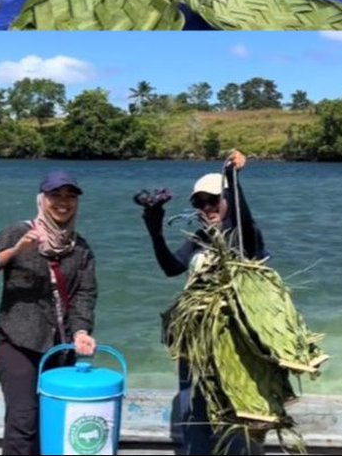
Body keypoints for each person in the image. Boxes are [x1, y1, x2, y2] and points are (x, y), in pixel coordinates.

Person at [140, 150, 266, 456]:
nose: (207, 207)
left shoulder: (243, 237)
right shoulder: (200, 238)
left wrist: (234, 179)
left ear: (227, 200)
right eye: (200, 202)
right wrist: (155, 230)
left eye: (213, 200)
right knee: (194, 416)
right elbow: (172, 268)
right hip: (194, 343)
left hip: (234, 346)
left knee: (236, 417)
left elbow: (243, 220)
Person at [0, 171, 97, 456]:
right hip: (17, 342)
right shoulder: (18, 232)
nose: (63, 203)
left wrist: (81, 332)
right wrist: (16, 251)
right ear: (42, 199)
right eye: (55, 196)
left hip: (60, 348)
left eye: (70, 197)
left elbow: (84, 296)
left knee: (53, 421)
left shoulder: (81, 248)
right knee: (23, 421)